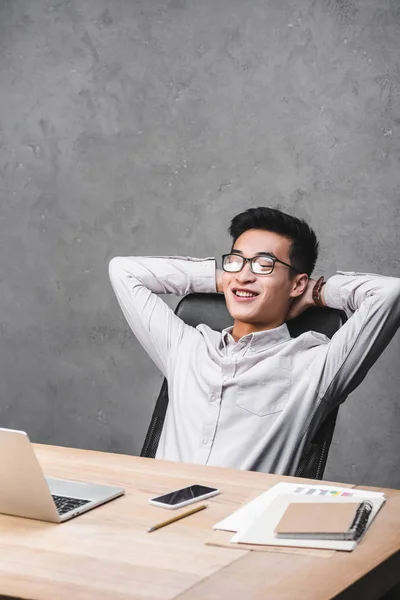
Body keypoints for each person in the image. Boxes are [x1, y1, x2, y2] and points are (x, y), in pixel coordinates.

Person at [109, 207, 400, 474]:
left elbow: (389, 293)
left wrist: (317, 291)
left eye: (264, 265)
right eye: (235, 261)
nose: (245, 276)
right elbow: (123, 271)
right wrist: (224, 278)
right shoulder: (186, 346)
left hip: (241, 525)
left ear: (296, 283)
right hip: (154, 517)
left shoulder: (314, 366)